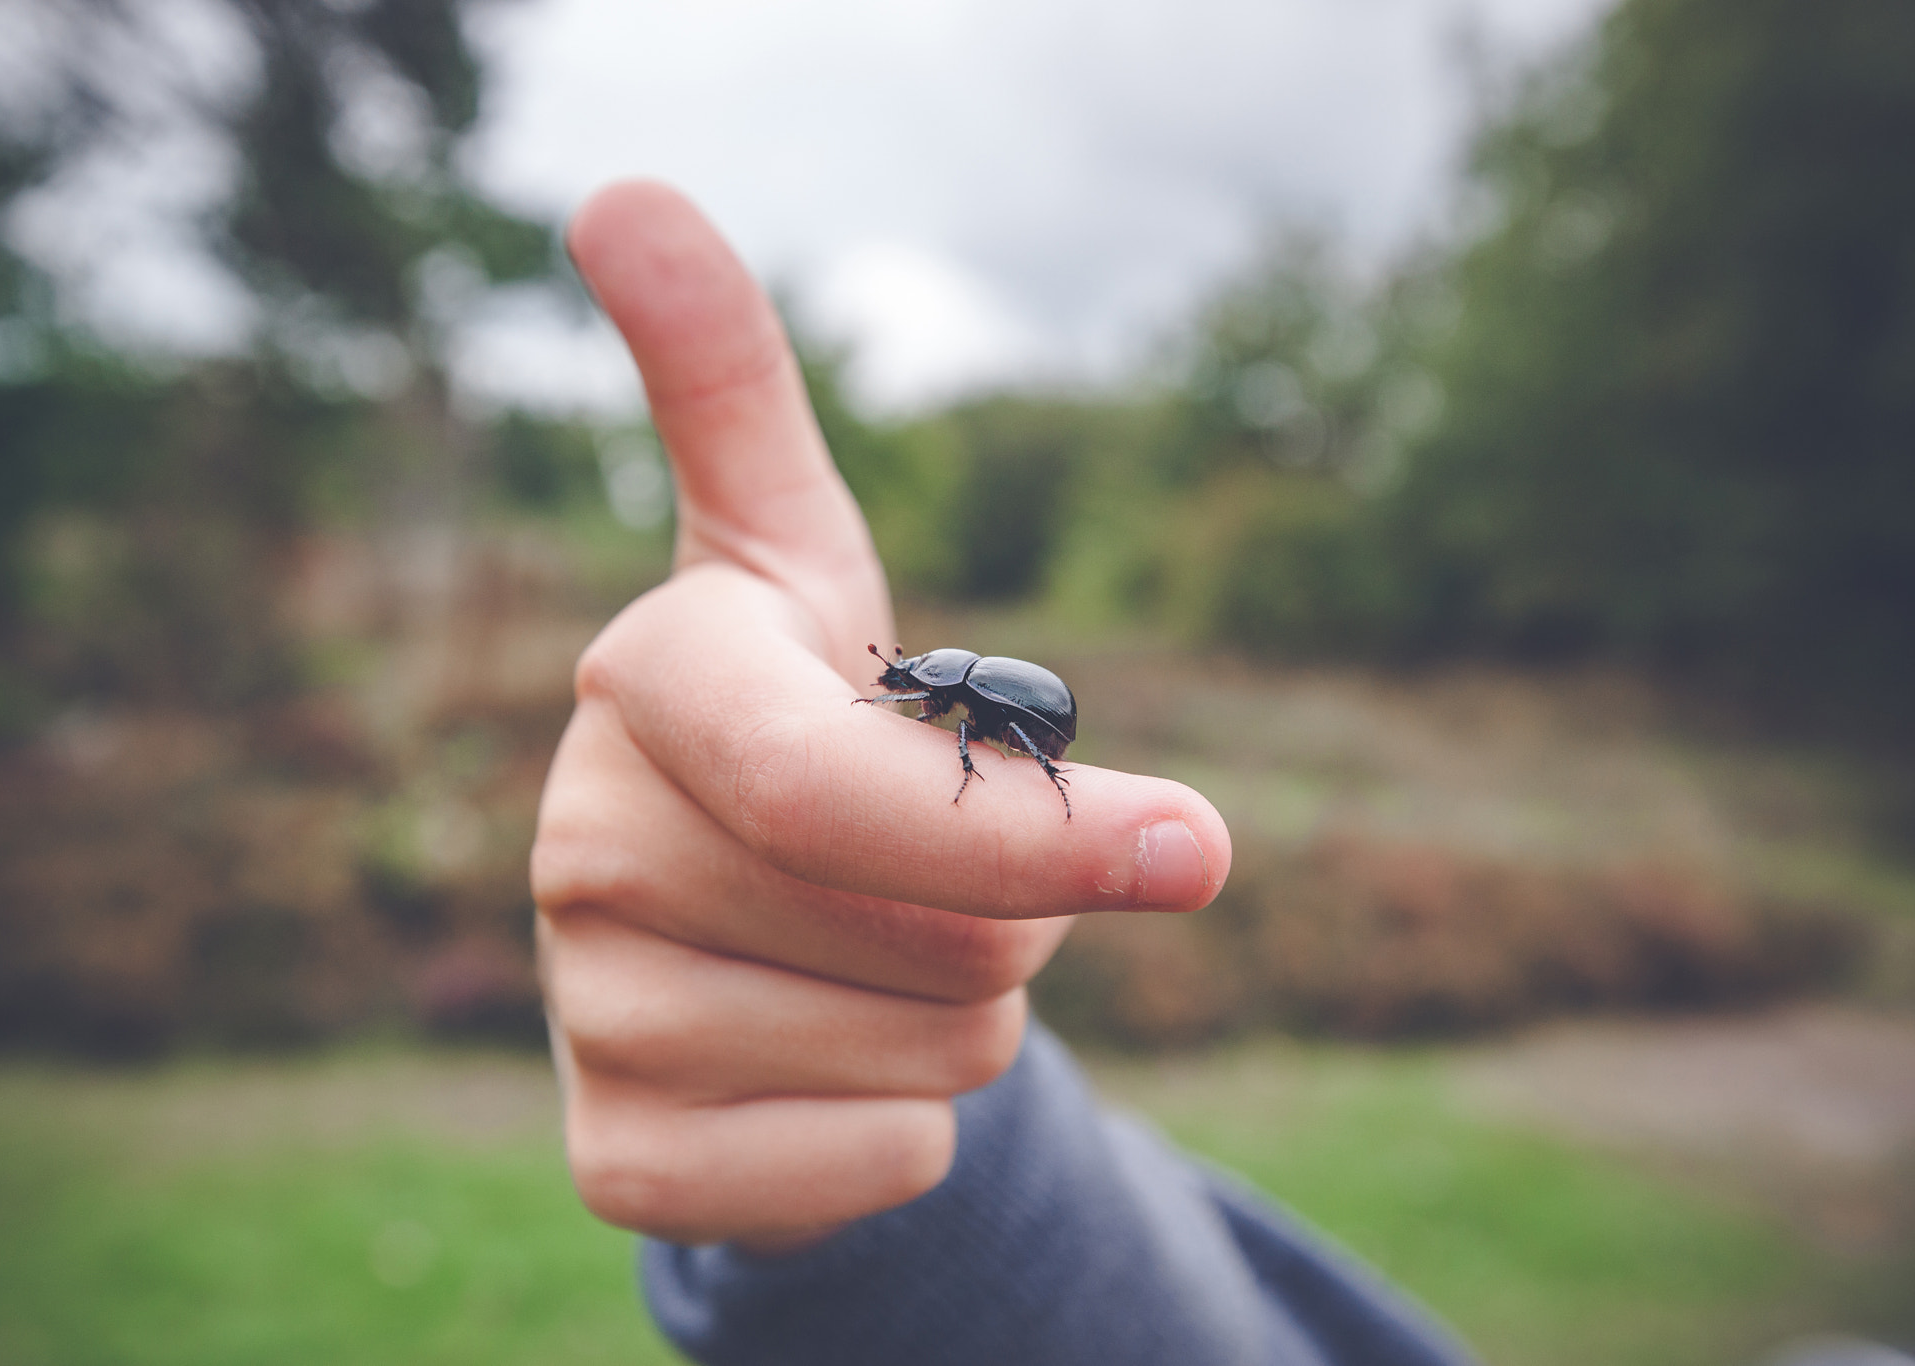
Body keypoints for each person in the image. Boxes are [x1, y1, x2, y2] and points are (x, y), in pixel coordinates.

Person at [529, 179, 1476, 1365]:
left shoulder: (978, 703)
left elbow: (974, 722)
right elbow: (914, 701)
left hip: (1038, 729)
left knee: (991, 754)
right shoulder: (943, 684)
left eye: (917, 682)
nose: (912, 692)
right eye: (912, 684)